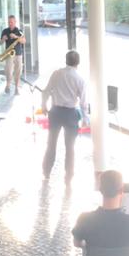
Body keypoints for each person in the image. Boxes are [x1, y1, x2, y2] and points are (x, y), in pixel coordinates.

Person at [42, 50, 88, 183]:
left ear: (66, 60)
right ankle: (68, 177)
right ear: (78, 62)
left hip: (55, 112)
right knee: (70, 147)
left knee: (51, 144)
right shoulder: (80, 79)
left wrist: (44, 105)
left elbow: (46, 91)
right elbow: (83, 102)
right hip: (70, 114)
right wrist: (85, 118)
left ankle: (46, 172)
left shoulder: (56, 73)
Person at [0, 15, 25, 94]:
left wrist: (16, 37)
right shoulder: (5, 31)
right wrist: (3, 39)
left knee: (18, 72)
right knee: (8, 71)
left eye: (11, 22)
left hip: (18, 54)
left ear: (15, 22)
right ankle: (8, 85)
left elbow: (24, 41)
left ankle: (17, 88)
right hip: (9, 54)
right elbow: (0, 43)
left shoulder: (19, 31)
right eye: (9, 22)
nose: (10, 23)